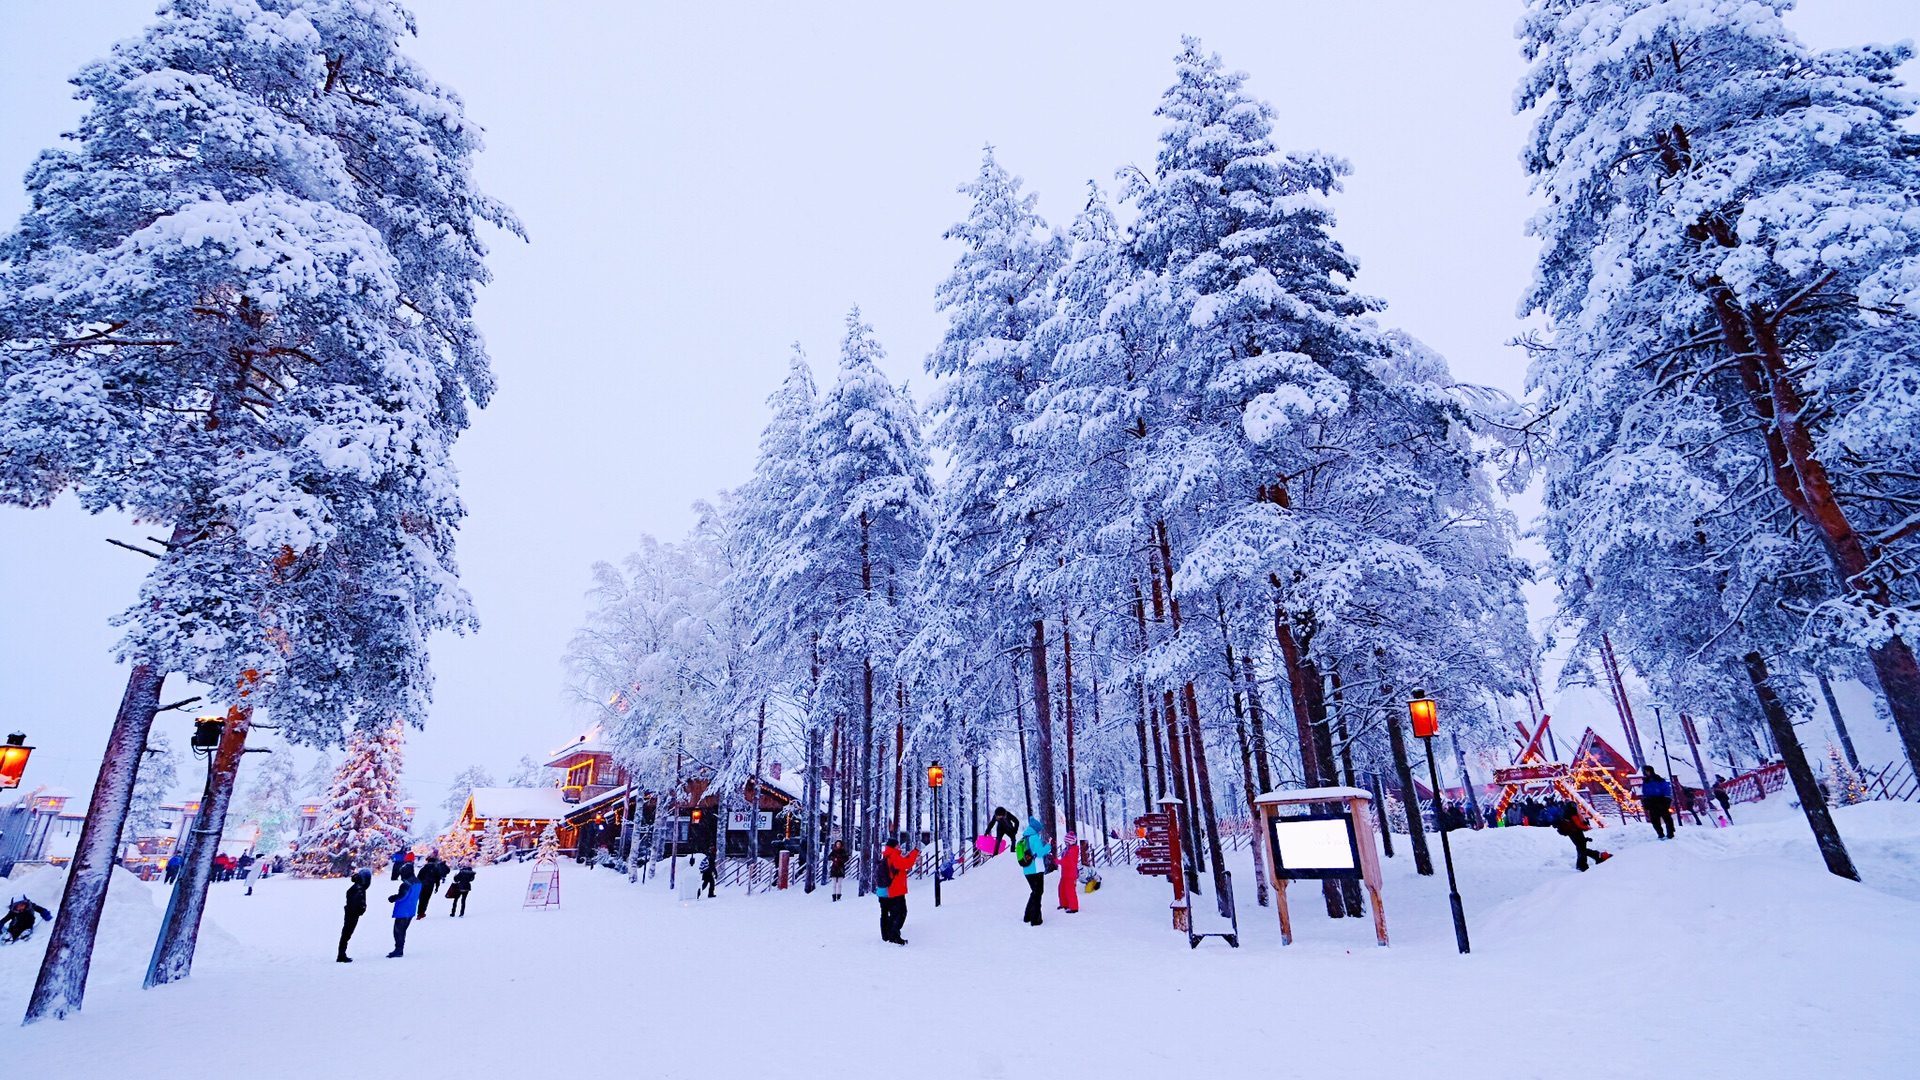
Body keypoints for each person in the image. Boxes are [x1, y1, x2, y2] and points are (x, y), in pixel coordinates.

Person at [877, 833, 920, 945]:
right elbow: (907, 864)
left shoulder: (888, 856)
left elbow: (902, 862)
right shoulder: (894, 856)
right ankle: (894, 936)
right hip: (895, 891)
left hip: (885, 891)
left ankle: (886, 935)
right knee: (900, 913)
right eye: (897, 845)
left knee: (886, 913)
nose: (899, 846)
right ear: (893, 846)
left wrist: (910, 854)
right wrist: (915, 852)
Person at [1016, 815, 1051, 926]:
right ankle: (1035, 919)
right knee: (1038, 893)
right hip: (1036, 869)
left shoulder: (1024, 838)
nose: (1040, 832)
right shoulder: (1035, 838)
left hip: (1027, 870)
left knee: (1035, 892)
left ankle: (1028, 916)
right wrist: (1048, 846)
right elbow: (1040, 852)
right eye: (1039, 830)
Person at [387, 862, 421, 958]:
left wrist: (393, 898)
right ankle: (400, 948)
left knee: (398, 931)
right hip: (411, 909)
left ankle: (398, 949)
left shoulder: (406, 884)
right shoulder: (418, 882)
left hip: (403, 910)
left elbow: (402, 896)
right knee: (403, 930)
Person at [338, 869, 370, 962]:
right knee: (346, 934)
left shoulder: (359, 888)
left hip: (352, 913)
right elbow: (356, 903)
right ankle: (341, 955)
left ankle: (342, 954)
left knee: (346, 934)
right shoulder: (358, 889)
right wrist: (361, 909)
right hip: (352, 914)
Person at [1642, 766, 1675, 839]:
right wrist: (1646, 800)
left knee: (1667, 818)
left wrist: (1666, 798)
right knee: (1654, 820)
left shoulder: (1659, 780)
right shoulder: (1645, 781)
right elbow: (1644, 792)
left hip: (1661, 800)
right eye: (1645, 771)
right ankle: (1660, 833)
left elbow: (1666, 789)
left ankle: (1670, 833)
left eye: (1648, 771)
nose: (1647, 773)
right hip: (1652, 802)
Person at [416, 853, 448, 918]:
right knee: (426, 900)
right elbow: (437, 879)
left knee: (421, 899)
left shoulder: (423, 869)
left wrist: (418, 886)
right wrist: (437, 887)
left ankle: (419, 913)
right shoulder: (436, 870)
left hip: (422, 886)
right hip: (430, 887)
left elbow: (419, 877)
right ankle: (422, 913)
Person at [1057, 830, 1081, 913]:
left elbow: (1069, 863)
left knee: (1070, 891)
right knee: (1062, 888)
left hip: (1070, 874)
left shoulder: (1073, 851)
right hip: (1065, 873)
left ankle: (1074, 907)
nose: (1065, 843)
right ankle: (1064, 904)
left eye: (1066, 842)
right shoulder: (1068, 849)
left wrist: (1058, 861)